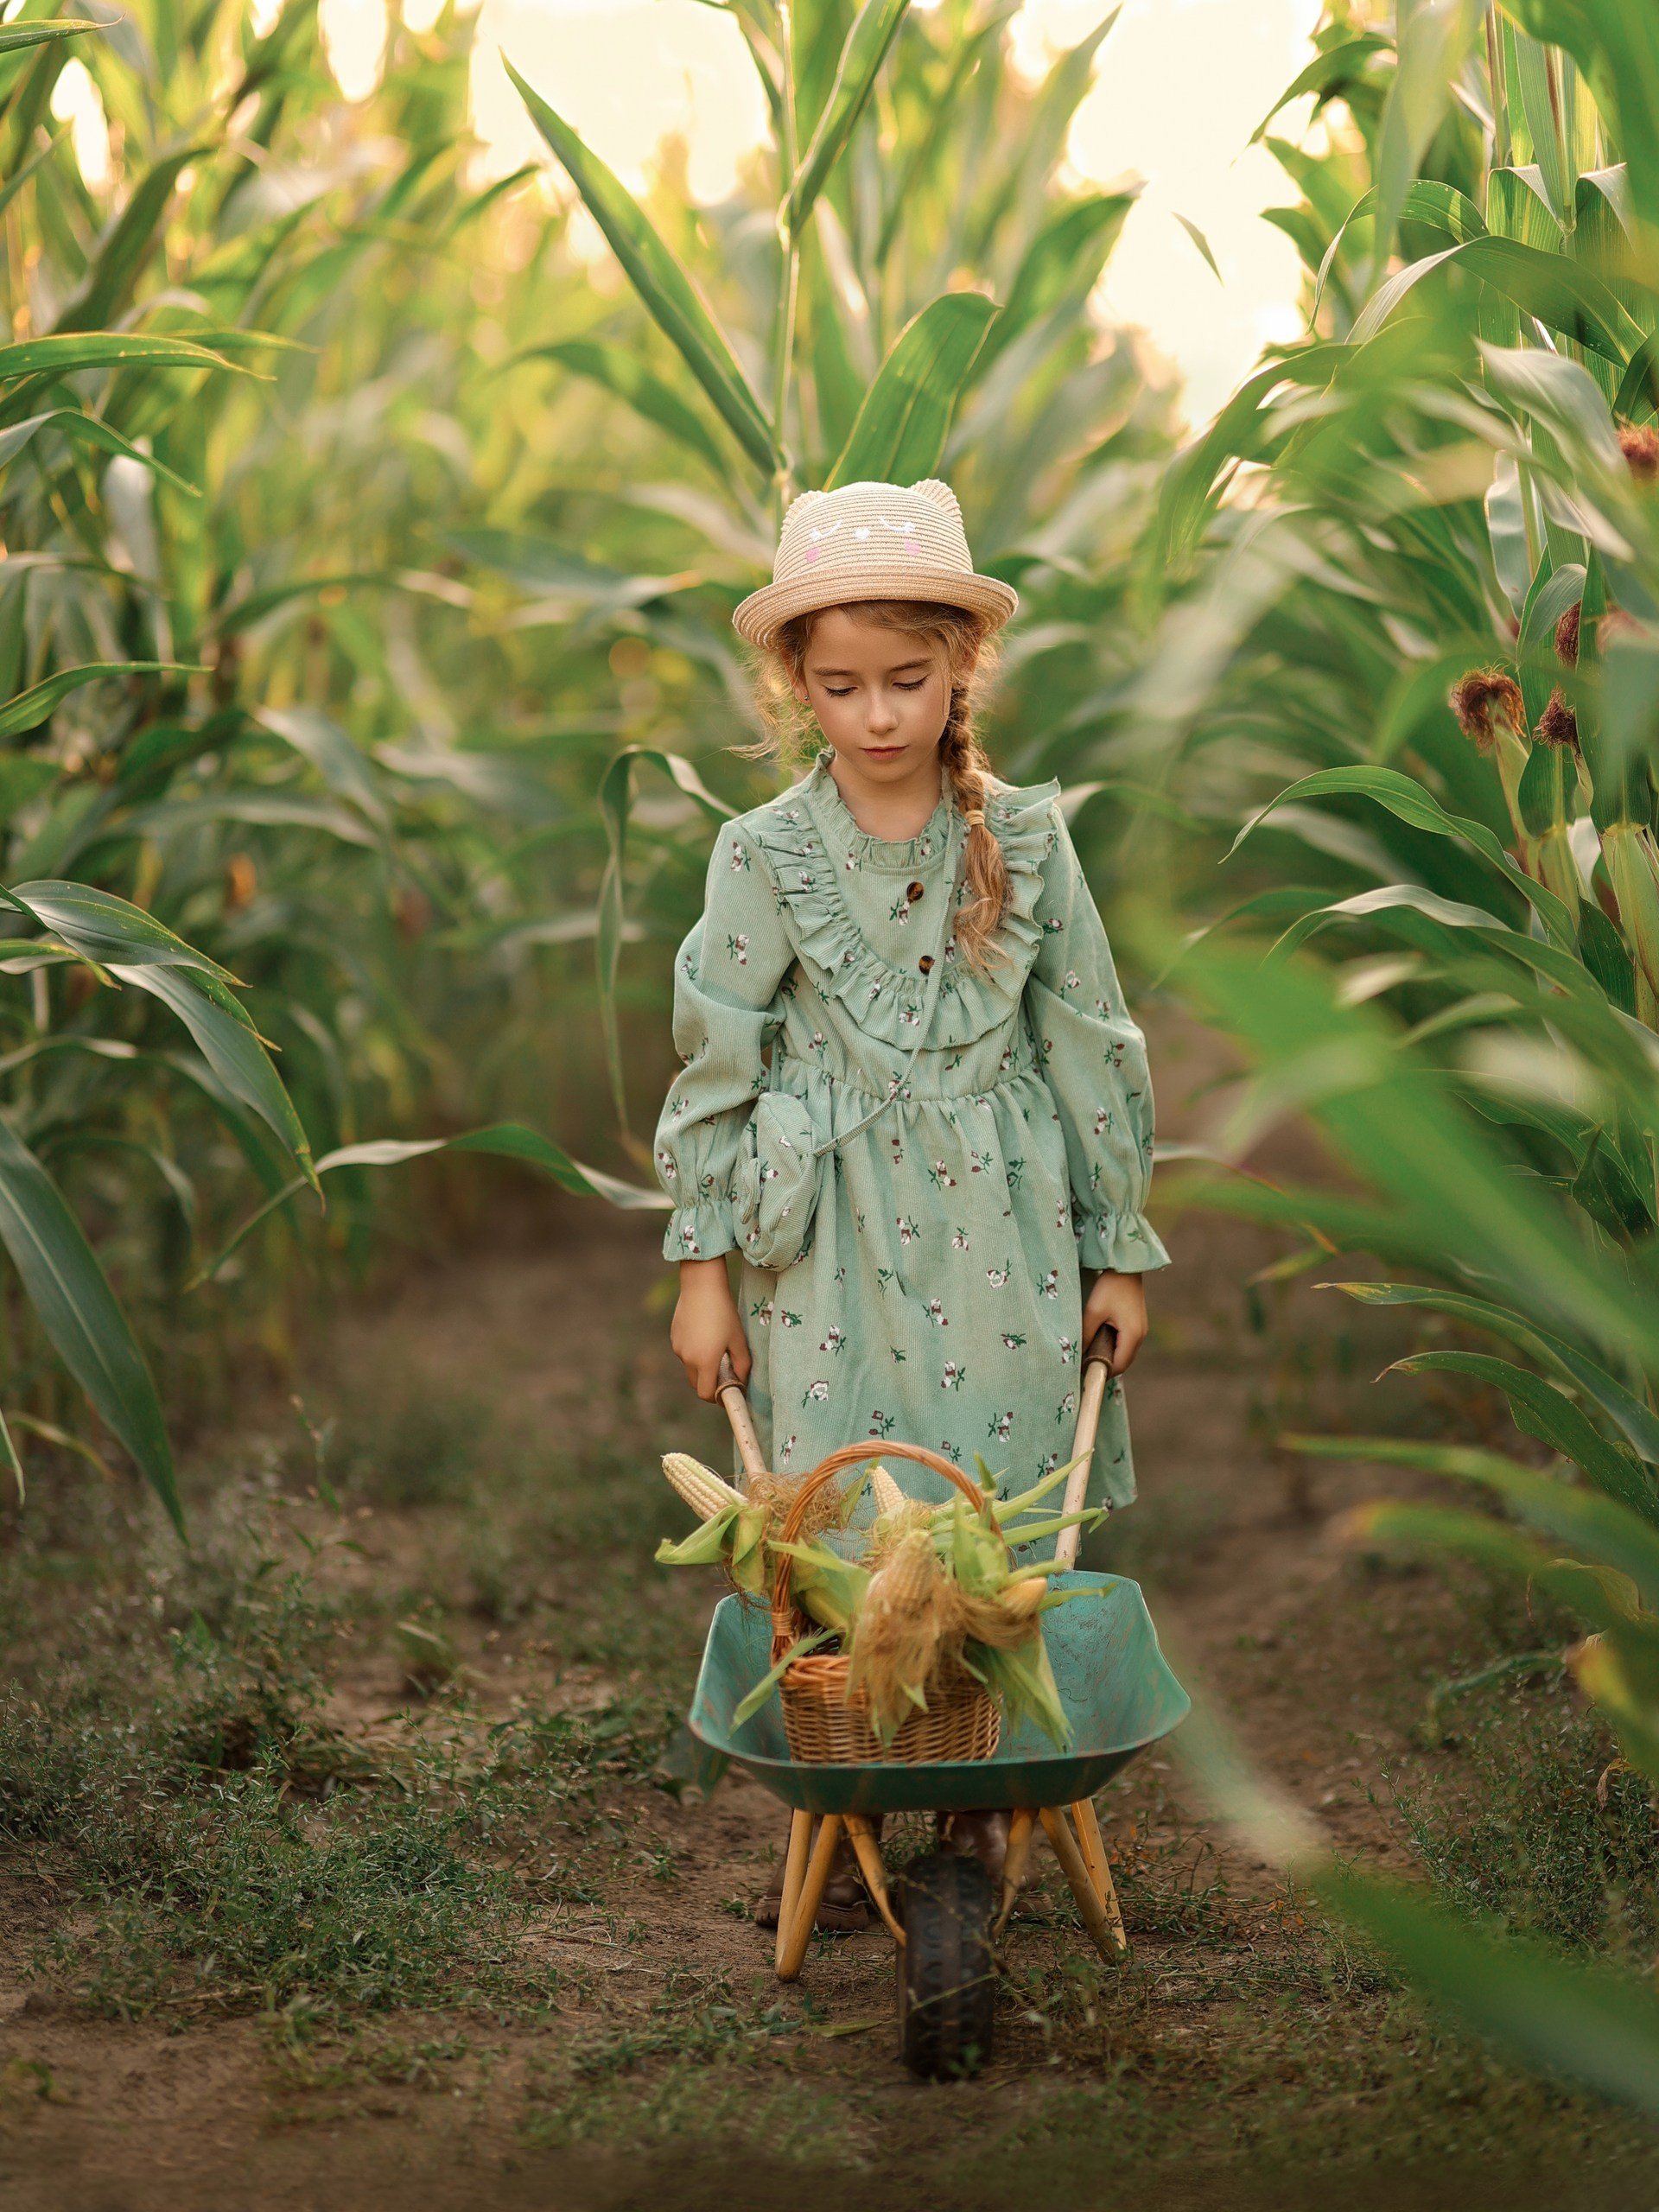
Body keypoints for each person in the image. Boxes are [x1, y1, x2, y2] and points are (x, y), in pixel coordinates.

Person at [654, 477, 1169, 1929]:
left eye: (909, 679)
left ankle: (979, 1794)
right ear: (793, 686)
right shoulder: (762, 855)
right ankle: (870, 1781)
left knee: (992, 1502)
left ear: (961, 671)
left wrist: (1116, 1249)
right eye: (840, 686)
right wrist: (702, 1265)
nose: (878, 715)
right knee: (840, 1499)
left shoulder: (1027, 841)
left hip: (1004, 1235)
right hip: (831, 1245)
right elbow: (717, 1066)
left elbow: (1089, 1044)